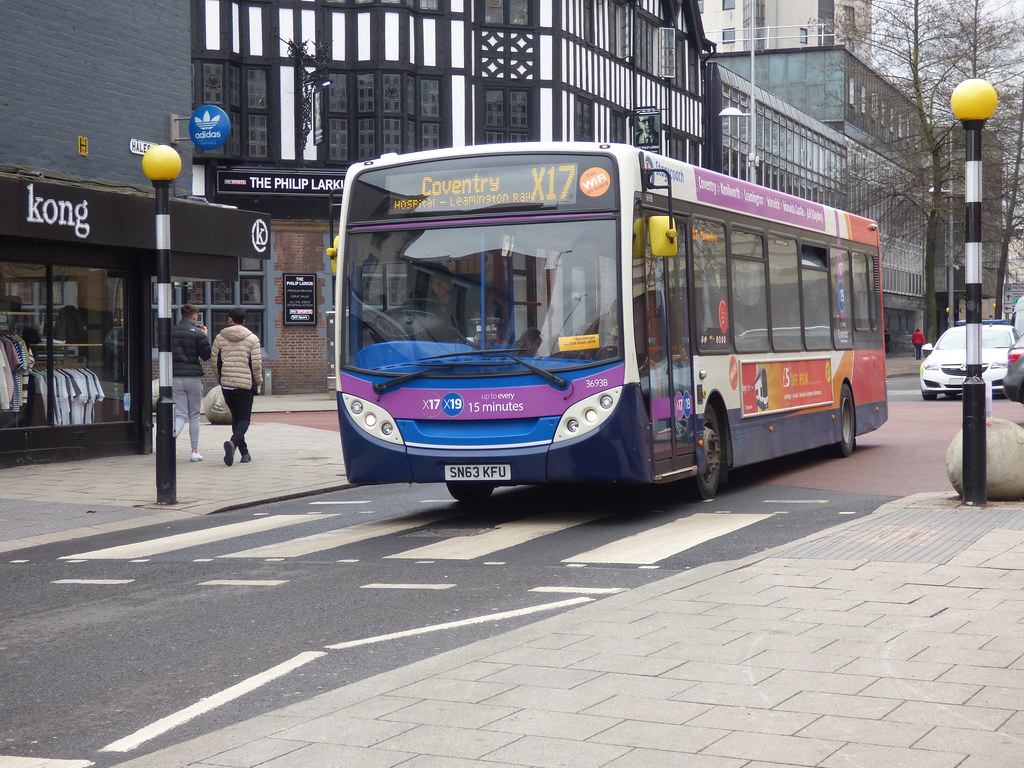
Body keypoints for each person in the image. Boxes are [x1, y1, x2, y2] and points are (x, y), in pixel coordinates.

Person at [211, 307, 262, 466]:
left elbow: (215, 362)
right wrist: (258, 382)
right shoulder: (252, 339)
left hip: (227, 386)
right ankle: (233, 444)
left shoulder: (219, 338)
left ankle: (244, 452)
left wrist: (221, 379)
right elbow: (256, 365)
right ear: (244, 321)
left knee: (236, 419)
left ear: (230, 320)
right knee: (244, 419)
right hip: (245, 386)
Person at [171, 304, 211, 462]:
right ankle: (194, 452)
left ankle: (169, 440)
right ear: (195, 317)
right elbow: (206, 355)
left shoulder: (171, 332)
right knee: (194, 415)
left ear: (181, 315)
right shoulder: (198, 334)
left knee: (179, 414)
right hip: (193, 377)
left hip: (175, 376)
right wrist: (205, 336)